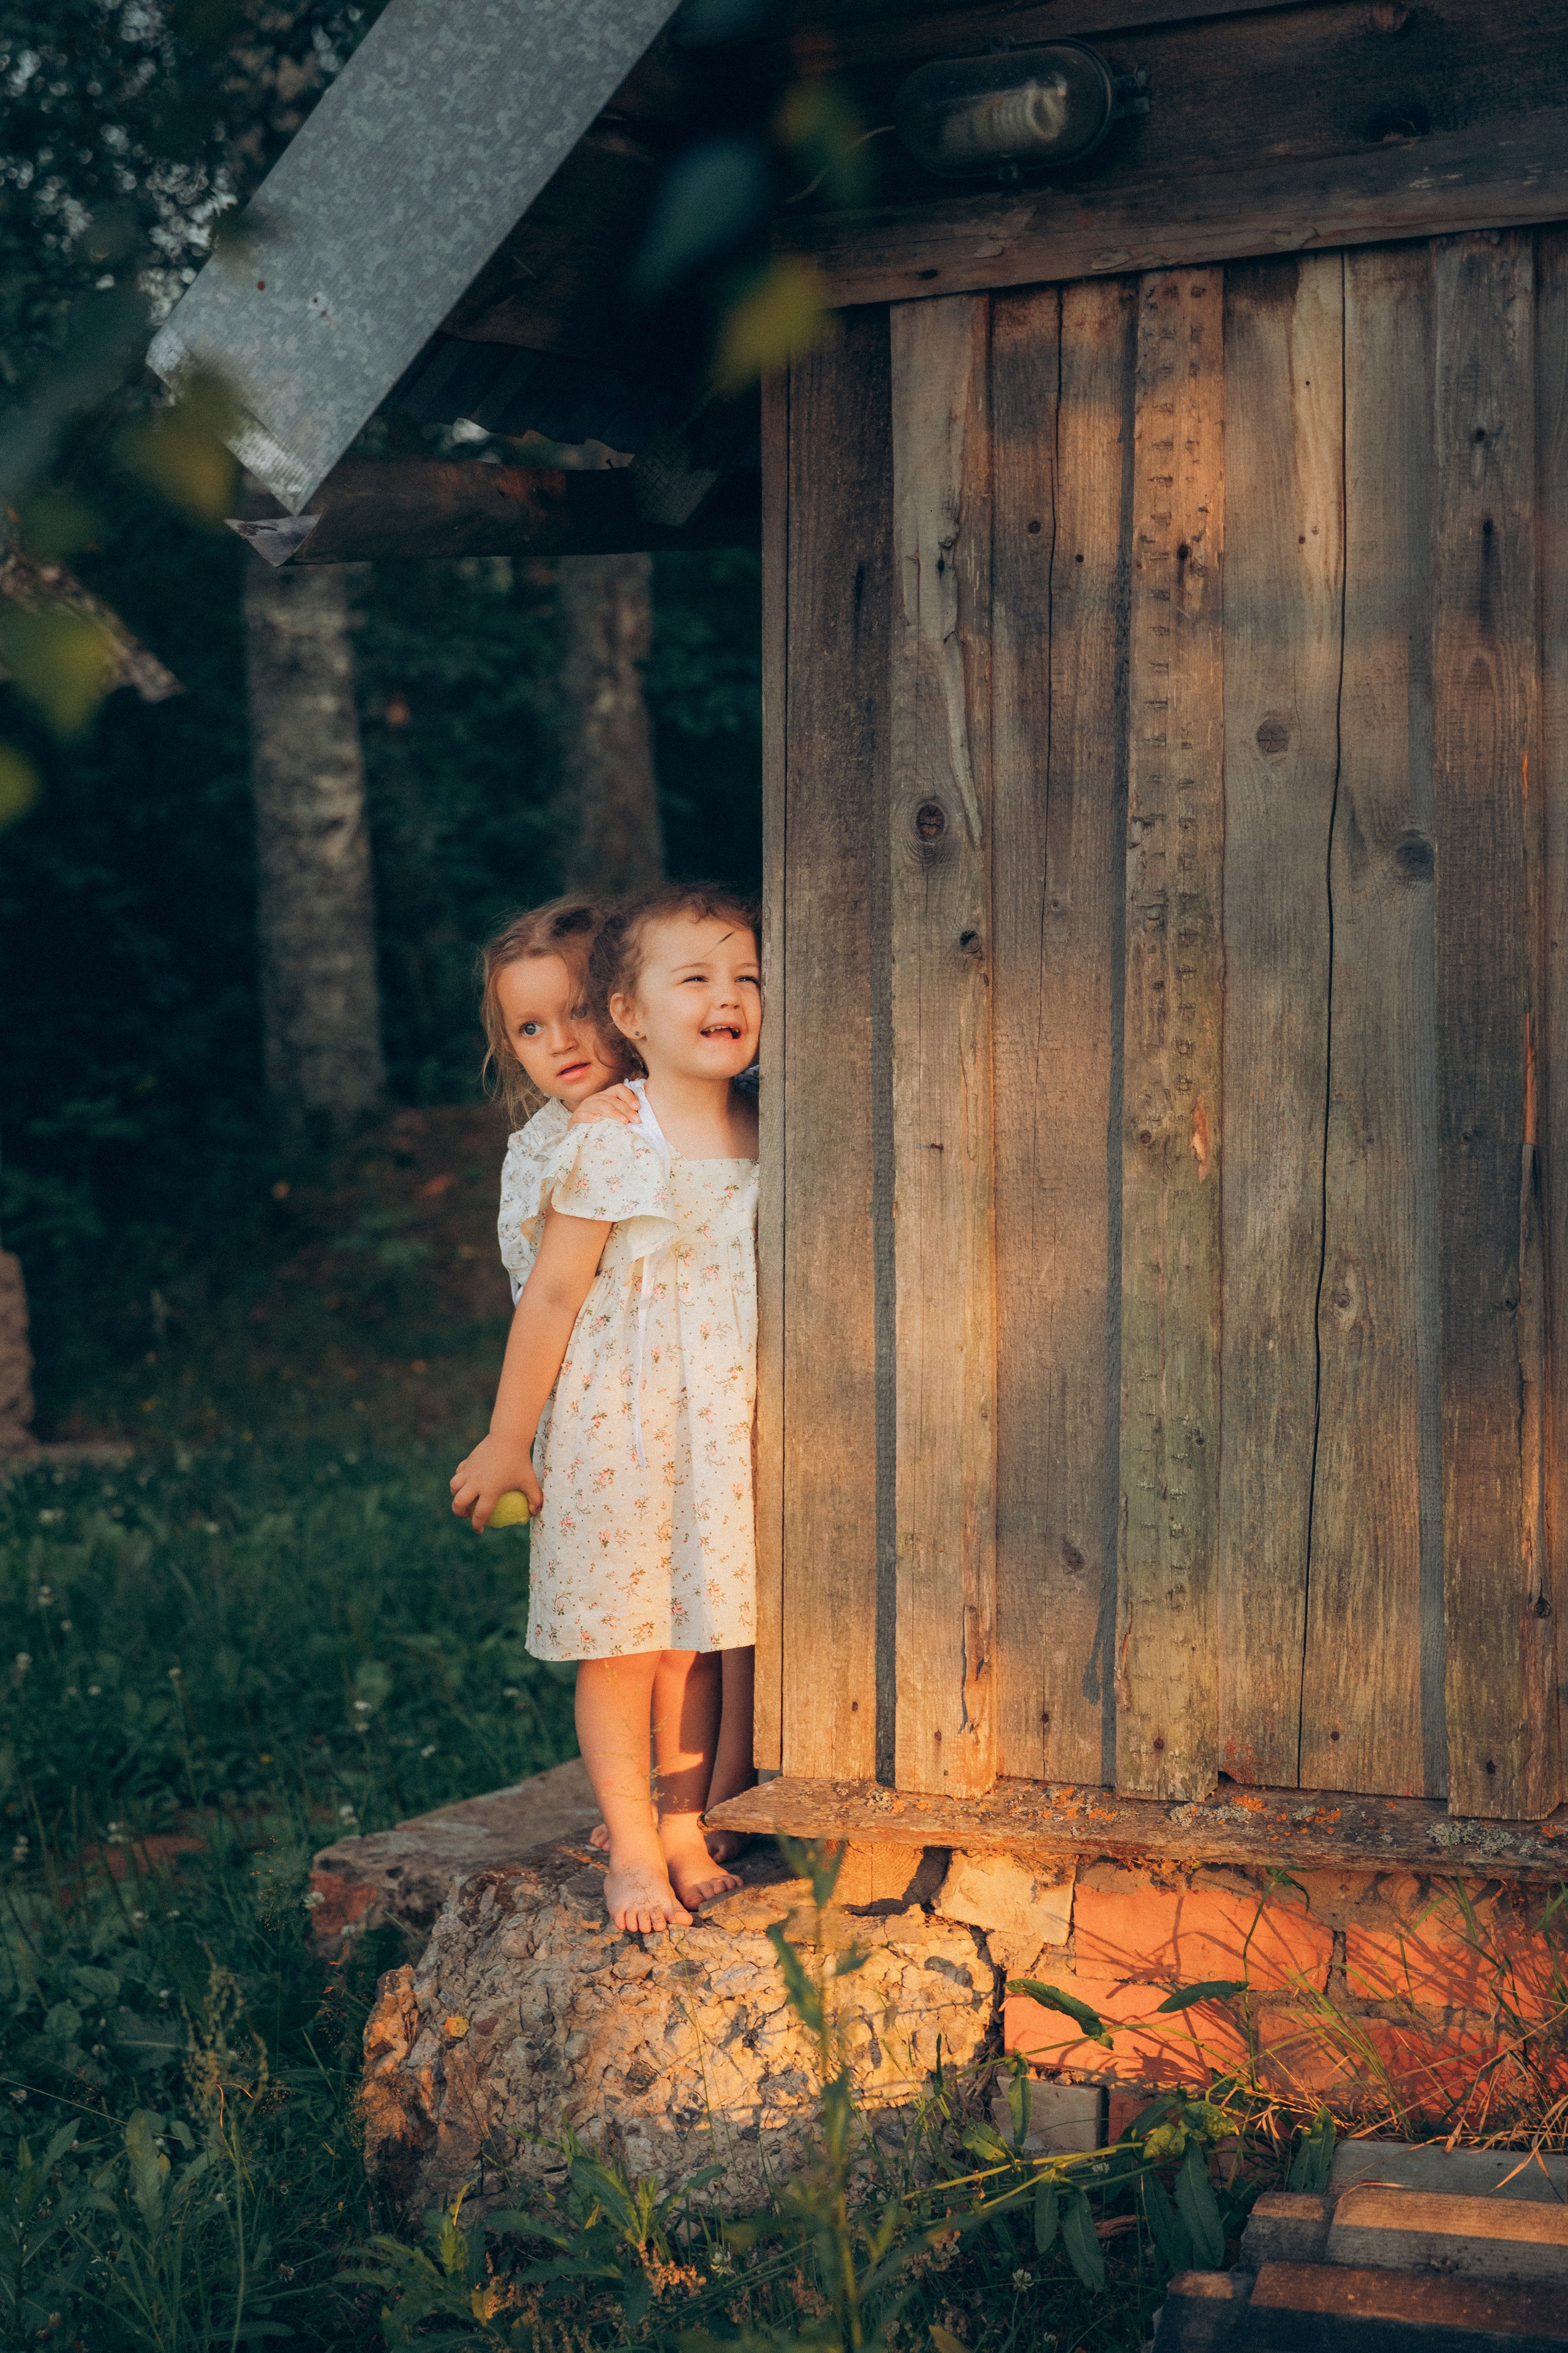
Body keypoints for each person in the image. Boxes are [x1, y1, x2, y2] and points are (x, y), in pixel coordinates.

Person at [451, 882, 760, 1934]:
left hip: (714, 1430)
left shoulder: (743, 1118)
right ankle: (633, 1846)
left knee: (698, 1639)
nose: (560, 1041)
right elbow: (548, 1295)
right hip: (614, 1425)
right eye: (529, 1029)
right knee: (622, 1642)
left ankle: (686, 1821)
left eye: (576, 1011)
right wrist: (508, 1436)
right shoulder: (600, 1139)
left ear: (622, 1007)